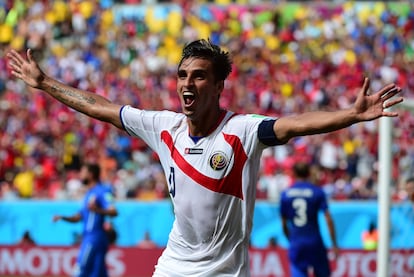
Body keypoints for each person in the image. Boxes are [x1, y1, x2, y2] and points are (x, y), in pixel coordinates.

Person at [7, 39, 402, 276]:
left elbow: (295, 123)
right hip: (174, 265)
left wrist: (350, 115)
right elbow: (101, 106)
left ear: (218, 86)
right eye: (182, 75)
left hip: (225, 271)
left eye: (197, 76)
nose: (186, 84)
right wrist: (44, 84)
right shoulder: (163, 126)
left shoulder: (242, 131)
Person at [52, 163, 118, 277]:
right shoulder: (89, 193)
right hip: (90, 237)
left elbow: (114, 211)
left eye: (83, 172)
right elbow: (78, 217)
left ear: (91, 174)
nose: (80, 175)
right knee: (98, 273)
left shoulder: (102, 191)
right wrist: (63, 217)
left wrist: (98, 210)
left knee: (81, 269)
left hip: (94, 237)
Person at [280, 162, 339, 277]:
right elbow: (328, 218)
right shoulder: (317, 192)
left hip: (297, 242)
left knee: (299, 272)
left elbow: (283, 223)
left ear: (294, 174)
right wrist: (334, 244)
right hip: (314, 241)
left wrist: (291, 239)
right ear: (308, 174)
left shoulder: (286, 194)